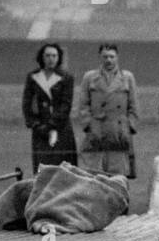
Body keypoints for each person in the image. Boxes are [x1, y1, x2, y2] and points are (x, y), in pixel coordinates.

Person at [75, 43, 140, 178]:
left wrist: (129, 127)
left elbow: (134, 106)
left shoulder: (127, 77)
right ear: (100, 57)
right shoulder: (90, 77)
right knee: (93, 174)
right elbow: (83, 105)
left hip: (119, 132)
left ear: (117, 58)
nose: (108, 60)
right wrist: (88, 125)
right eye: (105, 57)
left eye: (112, 56)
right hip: (97, 131)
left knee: (118, 175)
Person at [22, 43, 77, 172]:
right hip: (40, 130)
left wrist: (51, 126)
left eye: (54, 55)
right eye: (47, 55)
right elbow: (27, 103)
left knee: (63, 169)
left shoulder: (66, 77)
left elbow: (66, 105)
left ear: (59, 57)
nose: (51, 58)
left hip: (61, 129)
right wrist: (35, 125)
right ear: (42, 57)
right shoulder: (32, 77)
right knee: (42, 168)